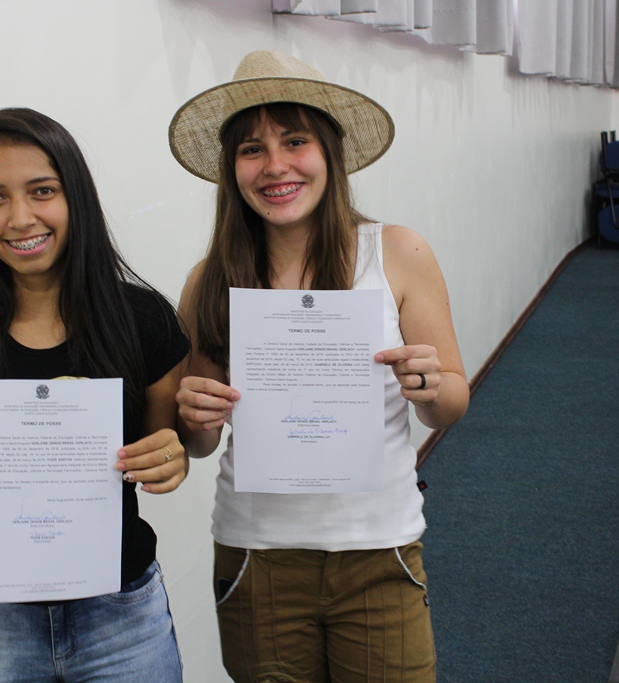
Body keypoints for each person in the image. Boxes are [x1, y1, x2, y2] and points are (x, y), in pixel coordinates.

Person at [168, 50, 470, 682]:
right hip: (256, 554)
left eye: (295, 141)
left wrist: (429, 386)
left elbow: (451, 403)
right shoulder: (210, 280)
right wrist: (194, 415)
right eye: (252, 149)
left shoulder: (397, 253)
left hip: (379, 546)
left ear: (330, 151)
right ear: (231, 168)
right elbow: (199, 443)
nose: (275, 166)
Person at [0, 107, 189, 682]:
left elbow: (164, 452)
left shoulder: (142, 320)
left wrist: (172, 460)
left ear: (76, 197)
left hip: (121, 611)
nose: (20, 218)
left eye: (42, 191)